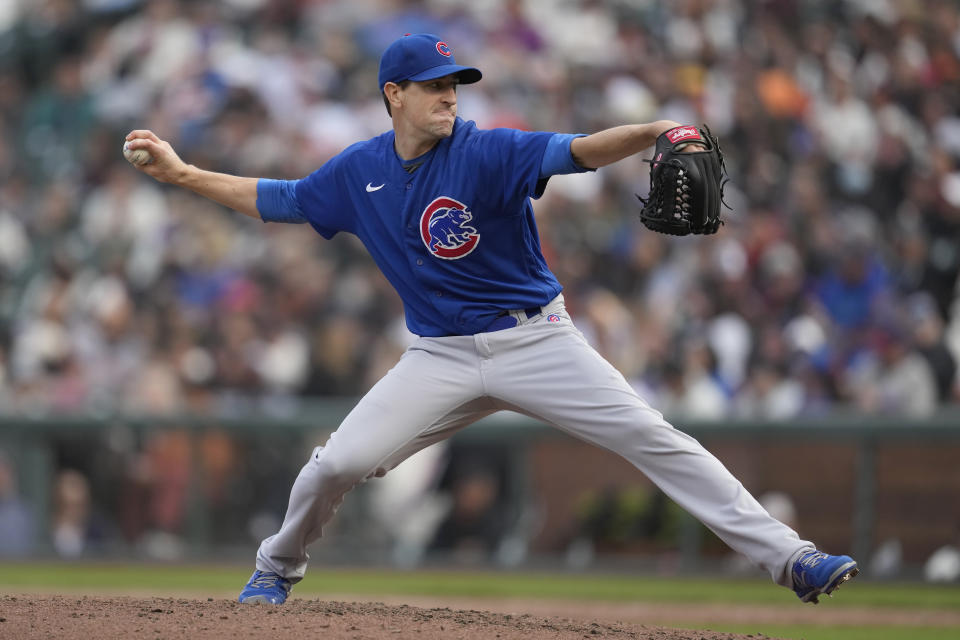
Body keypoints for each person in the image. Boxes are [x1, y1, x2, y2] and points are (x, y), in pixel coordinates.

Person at [124, 33, 859, 605]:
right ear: (394, 95)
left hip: (535, 337)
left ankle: (791, 558)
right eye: (435, 87)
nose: (450, 96)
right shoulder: (357, 172)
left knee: (651, 436)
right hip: (439, 355)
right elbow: (275, 198)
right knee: (338, 464)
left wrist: (655, 131)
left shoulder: (488, 151)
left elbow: (578, 152)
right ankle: (276, 567)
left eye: (456, 85)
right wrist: (185, 175)